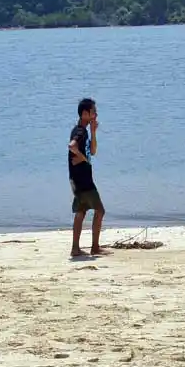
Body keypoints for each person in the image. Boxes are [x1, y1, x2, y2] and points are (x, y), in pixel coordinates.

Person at [68, 97, 107, 257]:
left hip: (77, 178)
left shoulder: (85, 131)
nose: (95, 115)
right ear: (85, 113)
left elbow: (93, 151)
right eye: (93, 112)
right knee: (100, 210)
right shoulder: (79, 131)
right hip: (82, 179)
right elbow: (72, 146)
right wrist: (82, 158)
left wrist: (93, 132)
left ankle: (76, 248)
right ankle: (95, 247)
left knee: (81, 211)